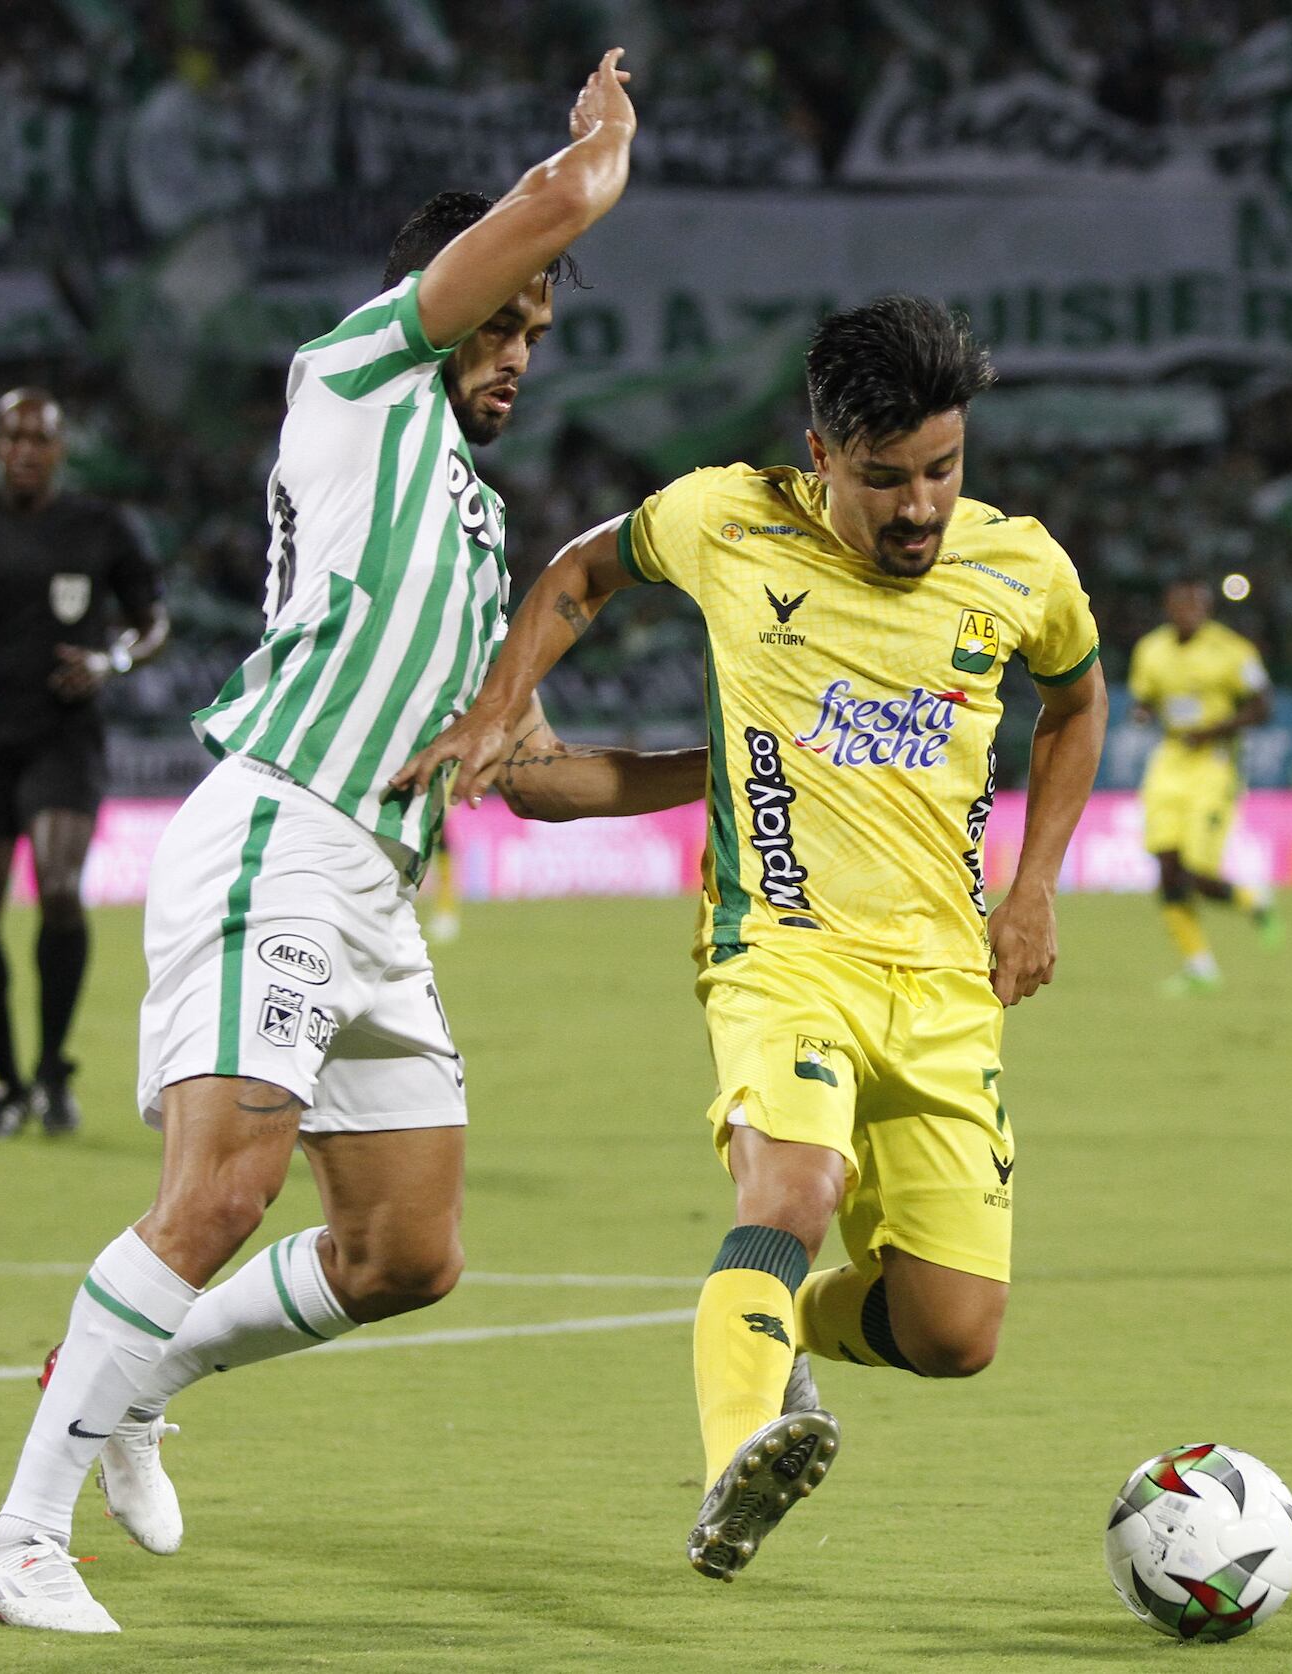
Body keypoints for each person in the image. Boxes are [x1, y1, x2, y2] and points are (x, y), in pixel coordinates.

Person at [0, 50, 694, 1635]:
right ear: (444, 297)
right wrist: (604, 140)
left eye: (538, 335)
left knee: (407, 1249)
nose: (520, 352)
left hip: (377, 888)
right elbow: (557, 202)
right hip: (280, 828)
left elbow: (534, 770)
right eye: (504, 320)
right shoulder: (355, 377)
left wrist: (741, 765)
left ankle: (144, 1374)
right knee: (222, 1190)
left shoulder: (473, 532)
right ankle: (19, 1535)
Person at [399, 294, 1111, 1582]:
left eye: (943, 469)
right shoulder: (728, 520)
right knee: (793, 1190)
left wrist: (1036, 886)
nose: (919, 508)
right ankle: (740, 1454)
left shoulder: (1021, 567)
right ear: (820, 453)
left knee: (952, 1333)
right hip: (781, 955)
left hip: (945, 981)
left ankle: (775, 1330)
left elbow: (1077, 696)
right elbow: (581, 573)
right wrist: (501, 708)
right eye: (885, 478)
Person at [0, 391, 170, 1140]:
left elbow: (152, 624)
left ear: (59, 448)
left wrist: (111, 660)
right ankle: (7, 1083)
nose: (24, 449)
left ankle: (52, 1069)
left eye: (39, 438)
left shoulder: (102, 528)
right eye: (12, 436)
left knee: (57, 887)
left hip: (63, 735)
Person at [1128, 578, 1279, 996]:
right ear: (1168, 607)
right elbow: (1144, 698)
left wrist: (1213, 730)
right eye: (1180, 604)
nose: (1187, 612)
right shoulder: (1151, 649)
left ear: (1207, 608)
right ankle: (1199, 966)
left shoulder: (1232, 650)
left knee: (1197, 873)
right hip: (1170, 758)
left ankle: (1253, 900)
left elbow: (1263, 705)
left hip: (1214, 763)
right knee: (1167, 867)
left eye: (1195, 605)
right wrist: (1141, 712)